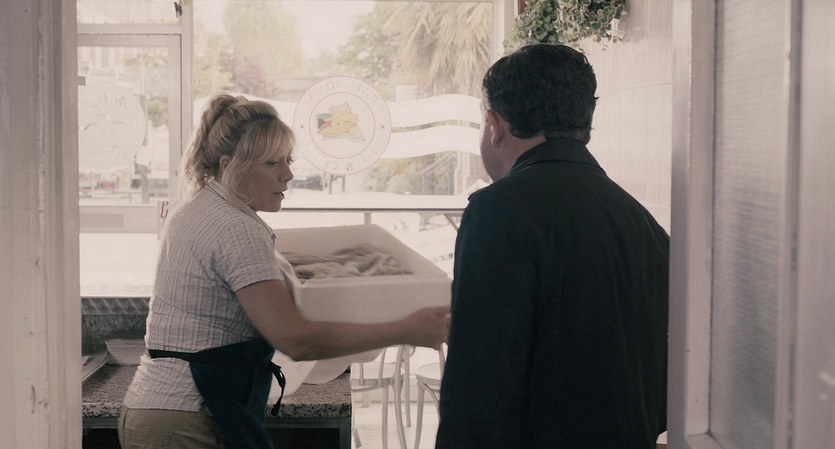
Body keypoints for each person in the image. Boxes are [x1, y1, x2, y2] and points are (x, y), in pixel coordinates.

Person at [119, 93, 450, 449]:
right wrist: (406, 328)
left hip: (157, 409)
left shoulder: (196, 208)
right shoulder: (236, 228)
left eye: (288, 160)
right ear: (230, 166)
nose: (288, 175)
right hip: (186, 417)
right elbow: (295, 340)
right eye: (272, 163)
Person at [434, 44, 669, 449]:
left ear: (494, 125)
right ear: (585, 123)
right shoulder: (640, 221)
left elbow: (479, 383)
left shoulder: (499, 211)